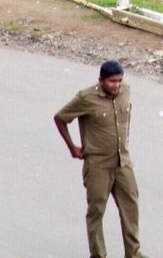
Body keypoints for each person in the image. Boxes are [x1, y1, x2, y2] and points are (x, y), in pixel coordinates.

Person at [54, 60, 142, 258]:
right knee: (96, 211)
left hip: (123, 163)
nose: (117, 85)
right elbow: (60, 117)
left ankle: (133, 253)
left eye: (119, 80)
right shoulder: (86, 97)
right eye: (112, 81)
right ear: (101, 80)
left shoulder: (125, 92)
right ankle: (98, 254)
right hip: (98, 166)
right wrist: (72, 147)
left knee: (131, 209)